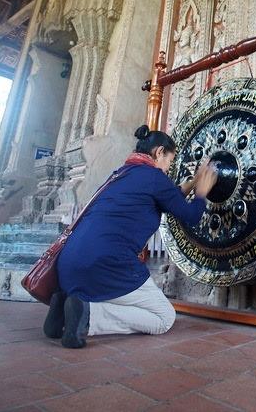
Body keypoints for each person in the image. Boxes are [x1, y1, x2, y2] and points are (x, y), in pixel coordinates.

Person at [43, 125, 217, 348]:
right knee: (163, 317)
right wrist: (202, 192)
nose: (168, 169)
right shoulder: (155, 177)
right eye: (169, 162)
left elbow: (169, 195)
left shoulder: (120, 174)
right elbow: (191, 215)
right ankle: (88, 314)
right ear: (159, 152)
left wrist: (193, 182)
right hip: (105, 266)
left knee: (107, 293)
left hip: (68, 266)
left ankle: (62, 306)